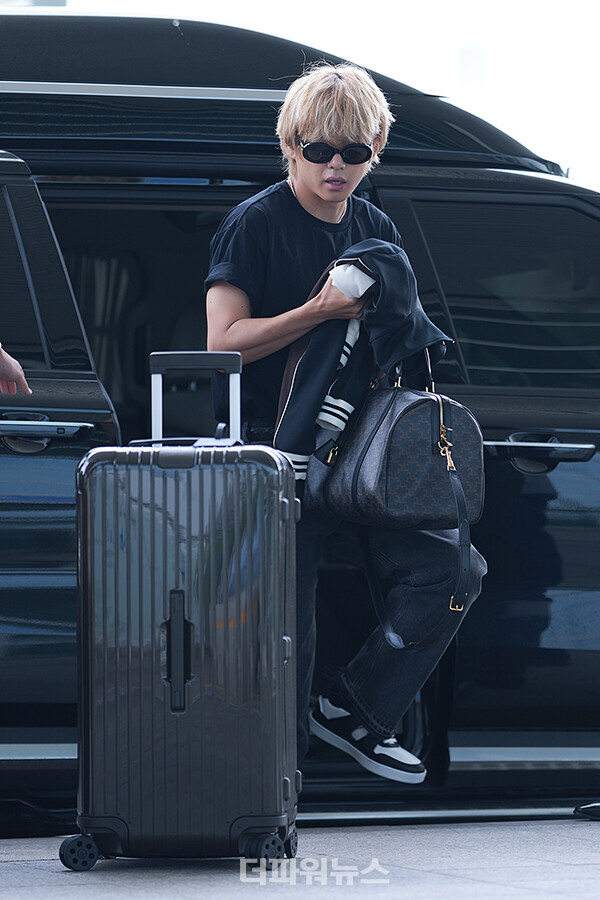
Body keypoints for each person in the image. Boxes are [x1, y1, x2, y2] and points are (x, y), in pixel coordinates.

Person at [205, 62, 486, 783]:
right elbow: (222, 344)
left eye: (353, 152)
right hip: (272, 458)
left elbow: (397, 343)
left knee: (451, 568)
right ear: (289, 145)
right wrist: (319, 313)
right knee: (286, 631)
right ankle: (269, 798)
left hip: (358, 455)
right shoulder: (257, 223)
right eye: (319, 150)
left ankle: (355, 709)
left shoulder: (375, 227)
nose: (336, 166)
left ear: (377, 146)